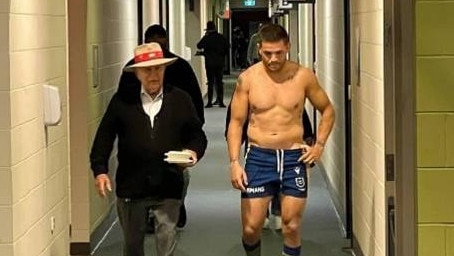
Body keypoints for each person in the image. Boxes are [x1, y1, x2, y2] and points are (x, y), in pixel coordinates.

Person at [226, 24, 335, 256]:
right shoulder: (248, 79)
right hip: (258, 156)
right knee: (251, 227)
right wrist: (234, 162)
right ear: (259, 50)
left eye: (279, 53)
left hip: (293, 157)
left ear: (288, 47)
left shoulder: (303, 76)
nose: (273, 59)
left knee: (292, 226)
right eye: (267, 53)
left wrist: (319, 146)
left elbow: (327, 110)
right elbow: (236, 122)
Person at [90, 42, 207, 256]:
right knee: (133, 246)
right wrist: (100, 170)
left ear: (164, 69)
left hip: (169, 182)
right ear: (137, 74)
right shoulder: (122, 102)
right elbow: (104, 137)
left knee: (167, 242)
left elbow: (197, 135)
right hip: (132, 186)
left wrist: (192, 152)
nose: (153, 75)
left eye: (158, 69)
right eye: (147, 70)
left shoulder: (179, 99)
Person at [118, 24, 205, 232]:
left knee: (178, 171)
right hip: (143, 130)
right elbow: (123, 102)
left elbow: (194, 98)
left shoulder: (180, 67)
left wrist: (194, 129)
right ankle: (151, 212)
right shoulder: (131, 71)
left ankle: (175, 203)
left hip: (177, 128)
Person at [197, 21, 230, 108]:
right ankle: (221, 101)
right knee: (219, 82)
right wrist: (221, 55)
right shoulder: (221, 37)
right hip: (220, 63)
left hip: (209, 63)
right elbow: (227, 48)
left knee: (210, 82)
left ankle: (209, 102)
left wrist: (205, 36)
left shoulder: (207, 38)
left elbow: (199, 45)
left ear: (208, 29)